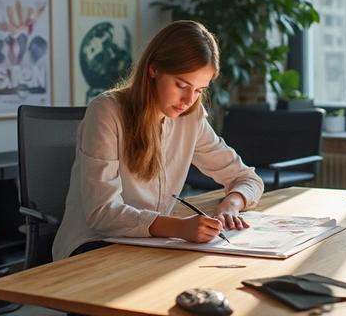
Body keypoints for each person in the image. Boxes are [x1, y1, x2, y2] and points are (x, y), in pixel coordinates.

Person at [53, 20, 264, 261]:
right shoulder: (106, 112)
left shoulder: (190, 117)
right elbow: (102, 213)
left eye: (198, 90)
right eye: (181, 85)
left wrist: (231, 205)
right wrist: (180, 228)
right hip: (94, 245)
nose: (188, 100)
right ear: (154, 70)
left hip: (153, 244)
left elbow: (248, 178)